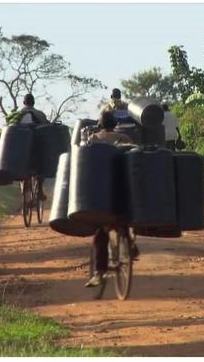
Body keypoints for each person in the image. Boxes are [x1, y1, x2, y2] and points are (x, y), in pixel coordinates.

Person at [85, 111, 137, 287]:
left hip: (102, 196)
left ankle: (99, 273)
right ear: (115, 124)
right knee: (128, 218)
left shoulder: (93, 139)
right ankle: (131, 245)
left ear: (100, 124)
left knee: (100, 233)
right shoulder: (124, 138)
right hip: (122, 192)